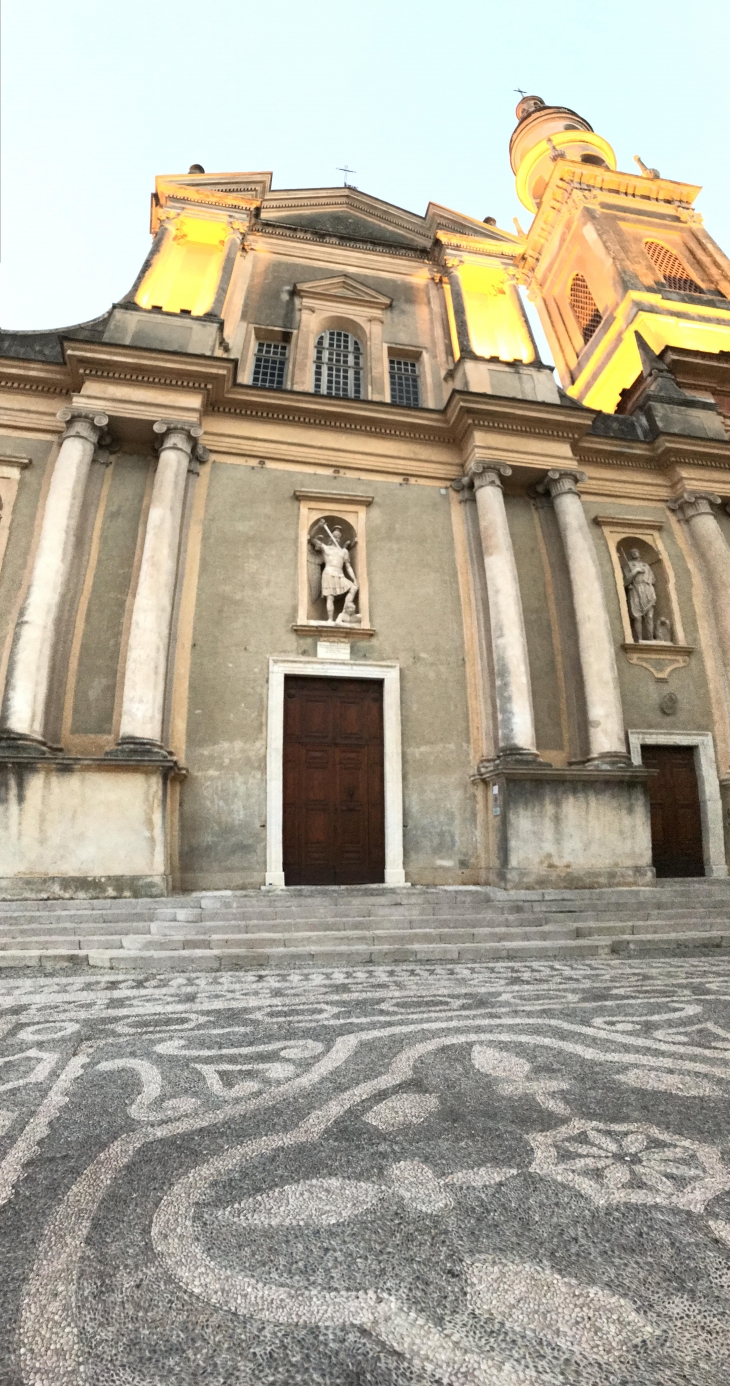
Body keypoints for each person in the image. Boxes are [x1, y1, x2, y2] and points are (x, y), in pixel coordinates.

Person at [311, 525, 359, 623]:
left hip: (340, 574)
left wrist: (354, 579)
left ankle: (343, 614)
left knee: (353, 587)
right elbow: (312, 539)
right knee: (330, 597)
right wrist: (318, 526)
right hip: (328, 573)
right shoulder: (325, 548)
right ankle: (330, 619)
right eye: (335, 537)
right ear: (331, 538)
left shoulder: (343, 551)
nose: (337, 539)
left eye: (338, 537)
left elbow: (348, 566)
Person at [622, 547, 656, 641]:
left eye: (636, 551)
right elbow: (625, 581)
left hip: (647, 589)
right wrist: (635, 571)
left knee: (649, 616)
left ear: (639, 553)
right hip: (635, 590)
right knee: (637, 616)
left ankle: (650, 638)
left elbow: (653, 579)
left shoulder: (646, 565)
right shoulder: (628, 565)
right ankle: (639, 639)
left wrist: (648, 585)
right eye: (632, 552)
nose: (634, 553)